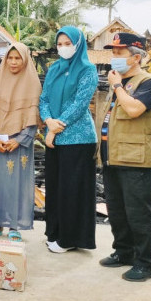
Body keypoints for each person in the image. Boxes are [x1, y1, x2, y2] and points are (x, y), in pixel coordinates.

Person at [97, 33, 151, 282]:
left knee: (138, 213)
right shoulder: (122, 82)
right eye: (113, 52)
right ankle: (123, 252)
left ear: (136, 57)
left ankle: (146, 263)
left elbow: (135, 109)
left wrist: (116, 86)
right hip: (112, 156)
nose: (114, 57)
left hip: (135, 158)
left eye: (119, 53)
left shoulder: (150, 83)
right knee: (117, 210)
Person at [39, 26, 98, 253]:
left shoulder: (87, 70)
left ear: (78, 44)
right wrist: (47, 120)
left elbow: (80, 104)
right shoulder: (54, 69)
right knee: (55, 188)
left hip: (78, 139)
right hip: (54, 138)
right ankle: (55, 232)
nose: (63, 48)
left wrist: (54, 128)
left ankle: (70, 239)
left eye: (68, 44)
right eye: (60, 44)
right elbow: (43, 99)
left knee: (72, 190)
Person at [0, 42, 41, 242]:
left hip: (20, 145)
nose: (13, 62)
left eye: (18, 58)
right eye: (10, 58)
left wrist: (19, 140)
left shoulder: (32, 83)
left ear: (25, 60)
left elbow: (33, 117)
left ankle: (15, 225)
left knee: (18, 184)